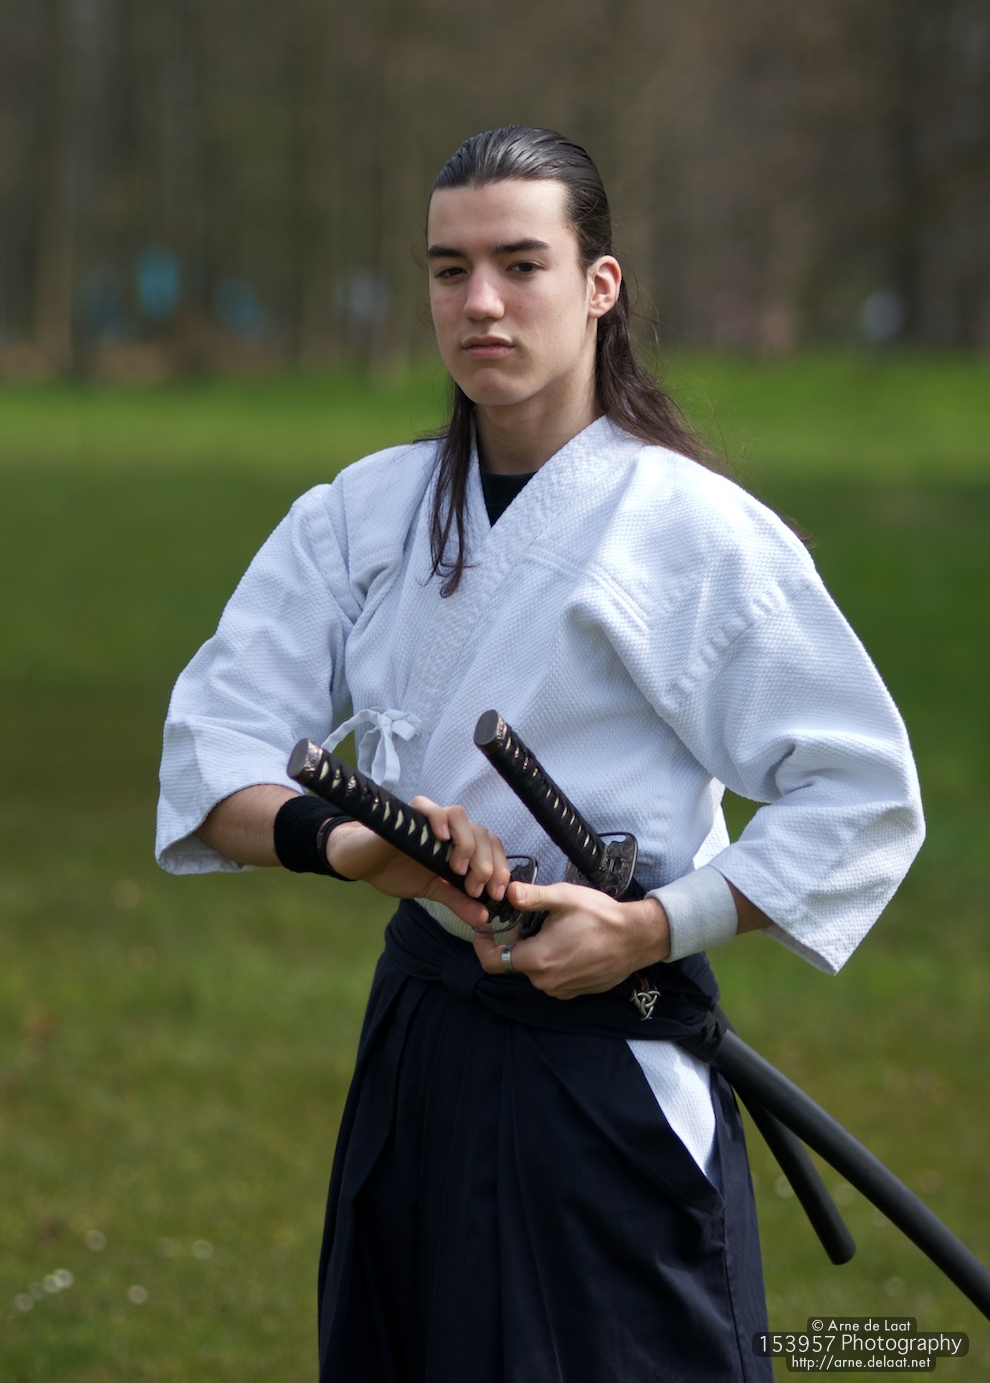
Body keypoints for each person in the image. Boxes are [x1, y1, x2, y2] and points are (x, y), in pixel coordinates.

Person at [156, 126, 924, 1382]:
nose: (482, 302)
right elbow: (213, 752)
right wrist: (351, 844)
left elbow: (861, 791)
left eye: (521, 264)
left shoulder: (692, 529)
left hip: (606, 1059)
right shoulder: (362, 515)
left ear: (599, 284)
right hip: (423, 1040)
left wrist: (653, 926)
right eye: (449, 270)